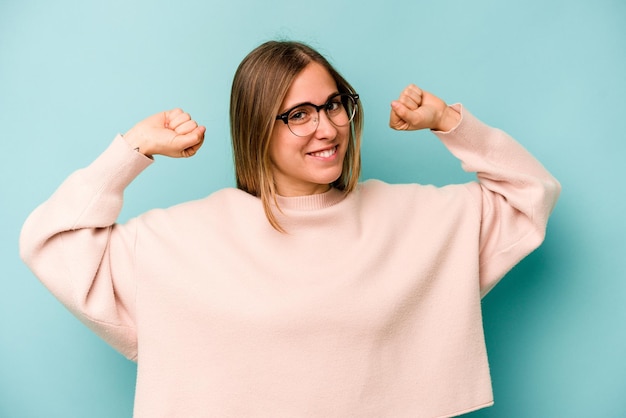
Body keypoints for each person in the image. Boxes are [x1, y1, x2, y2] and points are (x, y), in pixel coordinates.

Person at [20, 40, 560, 417]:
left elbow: (529, 194)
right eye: (298, 114)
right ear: (257, 127)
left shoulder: (417, 220)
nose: (326, 127)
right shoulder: (183, 240)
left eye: (333, 105)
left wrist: (451, 123)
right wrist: (131, 150)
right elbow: (51, 244)